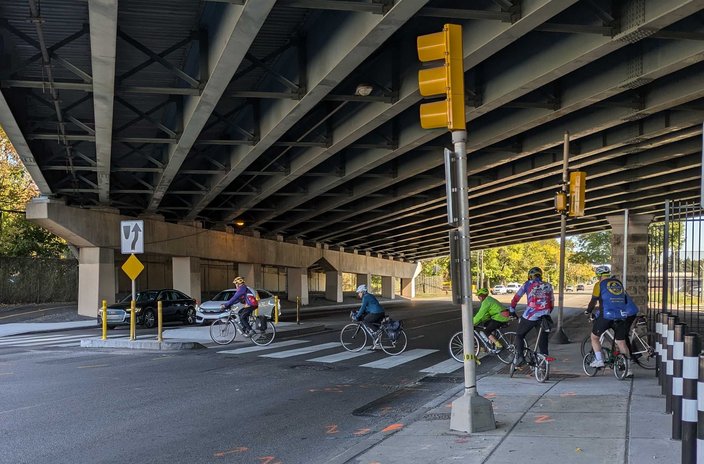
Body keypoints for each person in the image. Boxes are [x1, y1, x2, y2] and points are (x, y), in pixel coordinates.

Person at [585, 265, 638, 377]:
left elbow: (593, 301)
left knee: (594, 337)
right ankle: (628, 369)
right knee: (621, 342)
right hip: (621, 316)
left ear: (599, 276)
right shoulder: (618, 284)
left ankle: (599, 360)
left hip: (606, 316)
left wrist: (588, 311)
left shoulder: (599, 285)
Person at [509, 267, 554, 367]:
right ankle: (543, 363)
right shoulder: (548, 285)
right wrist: (546, 313)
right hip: (545, 316)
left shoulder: (527, 284)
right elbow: (551, 304)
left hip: (531, 315)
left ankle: (521, 357)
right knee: (543, 341)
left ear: (530, 276)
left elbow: (516, 298)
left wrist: (512, 310)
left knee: (519, 335)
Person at [473, 288, 511, 353]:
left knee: (487, 331)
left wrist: (472, 323)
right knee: (486, 324)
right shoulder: (490, 299)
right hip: (503, 316)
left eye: (478, 296)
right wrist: (479, 321)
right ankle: (491, 342)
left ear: (481, 296)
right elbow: (486, 315)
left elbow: (480, 314)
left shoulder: (486, 301)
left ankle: (499, 345)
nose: (478, 298)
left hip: (499, 317)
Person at [353, 284, 385, 350]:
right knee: (374, 325)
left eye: (359, 292)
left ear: (362, 292)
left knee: (365, 321)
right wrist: (359, 312)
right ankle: (377, 344)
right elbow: (368, 307)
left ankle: (377, 332)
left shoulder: (365, 297)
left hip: (376, 313)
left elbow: (362, 308)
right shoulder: (370, 295)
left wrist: (357, 316)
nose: (358, 294)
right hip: (381, 312)